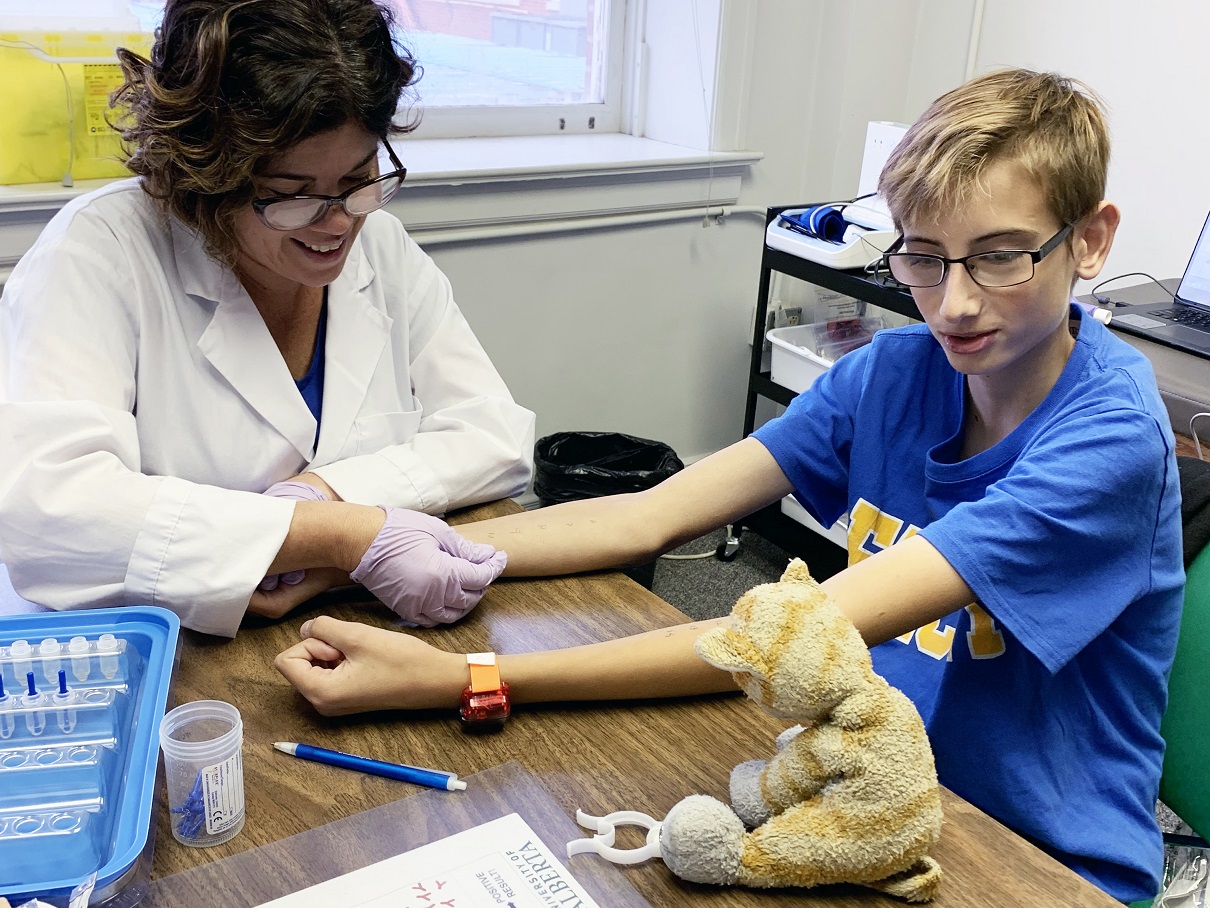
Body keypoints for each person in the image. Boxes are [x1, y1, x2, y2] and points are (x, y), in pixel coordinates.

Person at [275, 68, 1183, 903]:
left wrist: (465, 681)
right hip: (862, 790)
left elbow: (787, 637)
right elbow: (649, 515)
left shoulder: (1108, 441)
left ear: (1091, 241)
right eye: (924, 257)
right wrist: (380, 553)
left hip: (1040, 856)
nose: (953, 303)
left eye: (1001, 256)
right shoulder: (894, 374)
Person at [0, 0, 533, 637]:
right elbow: (44, 509)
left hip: (346, 628)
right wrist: (333, 536)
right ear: (203, 170)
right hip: (149, 652)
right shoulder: (100, 253)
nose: (338, 223)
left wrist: (325, 497)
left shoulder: (382, 249)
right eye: (291, 195)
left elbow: (494, 435)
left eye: (360, 177)